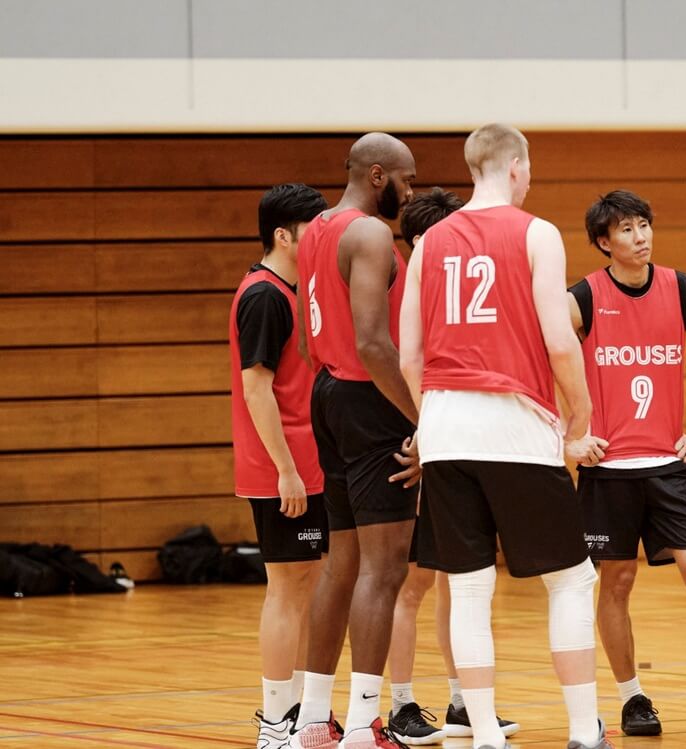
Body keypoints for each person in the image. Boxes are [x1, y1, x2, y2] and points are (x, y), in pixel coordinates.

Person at [399, 123, 611, 749]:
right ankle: (583, 731)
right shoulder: (535, 232)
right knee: (571, 579)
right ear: (516, 165)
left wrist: (436, 416)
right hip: (514, 424)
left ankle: (486, 734)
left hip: (444, 427)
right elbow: (559, 340)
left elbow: (410, 355)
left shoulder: (430, 241)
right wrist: (581, 412)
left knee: (468, 588)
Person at [567, 189, 686, 739]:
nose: (640, 237)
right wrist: (572, 436)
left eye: (644, 224)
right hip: (607, 469)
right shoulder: (584, 297)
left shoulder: (681, 288)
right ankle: (632, 698)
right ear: (603, 242)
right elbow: (545, 355)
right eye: (626, 229)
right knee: (616, 581)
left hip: (668, 466)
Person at [290, 133, 420, 749]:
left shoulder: (316, 228)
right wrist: (422, 417)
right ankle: (366, 723)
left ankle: (314, 719)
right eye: (407, 180)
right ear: (377, 175)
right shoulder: (368, 233)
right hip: (370, 400)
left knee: (340, 566)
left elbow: (307, 340)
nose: (410, 192)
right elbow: (372, 342)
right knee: (384, 568)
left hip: (328, 392)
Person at [385, 187, 520, 745]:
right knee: (410, 584)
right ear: (423, 240)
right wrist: (424, 431)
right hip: (413, 443)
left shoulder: (453, 290)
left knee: (453, 583)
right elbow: (403, 365)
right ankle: (399, 705)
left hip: (449, 443)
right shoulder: (405, 286)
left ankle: (463, 701)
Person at [229, 183, 330, 749]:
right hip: (282, 469)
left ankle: (302, 714)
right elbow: (256, 388)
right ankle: (274, 723)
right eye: (313, 226)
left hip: (310, 463)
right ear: (284, 236)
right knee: (287, 589)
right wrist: (286, 470)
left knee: (308, 587)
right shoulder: (264, 296)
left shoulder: (297, 290)